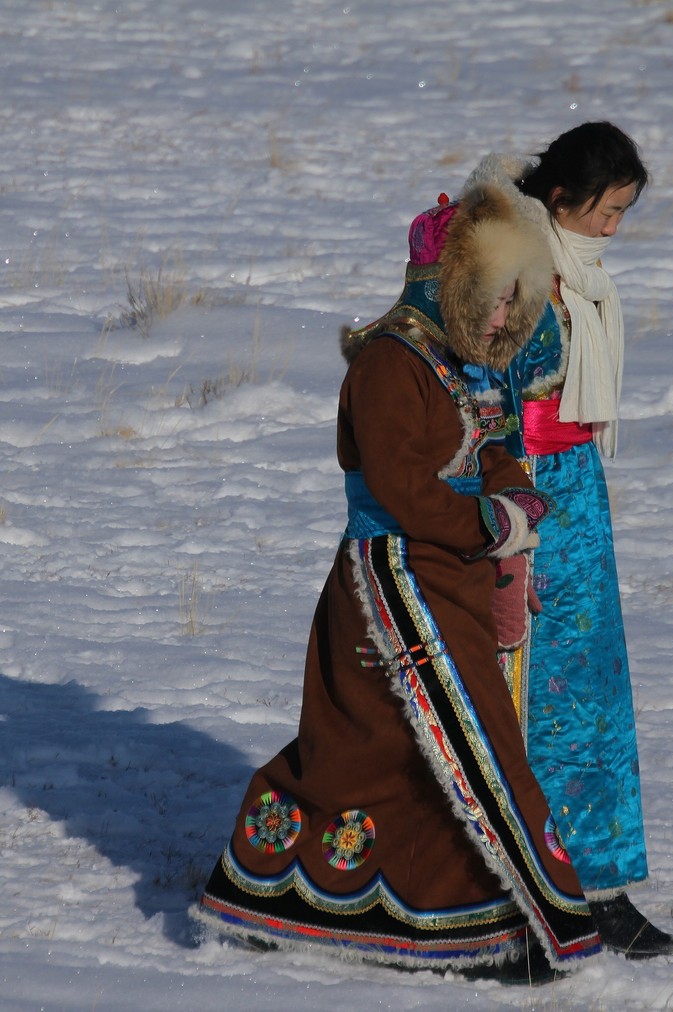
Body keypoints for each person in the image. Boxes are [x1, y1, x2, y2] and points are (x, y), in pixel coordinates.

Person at [193, 183, 605, 982]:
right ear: (453, 287)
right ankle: (514, 919)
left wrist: (514, 493)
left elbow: (489, 444)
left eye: (510, 306)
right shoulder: (388, 365)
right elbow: (403, 486)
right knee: (463, 742)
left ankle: (449, 914)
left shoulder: (453, 368)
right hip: (389, 587)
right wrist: (492, 523)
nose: (499, 320)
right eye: (493, 300)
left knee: (393, 757)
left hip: (441, 578)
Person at [459, 122, 673, 959]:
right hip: (519, 502)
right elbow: (478, 393)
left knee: (589, 695)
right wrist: (503, 505)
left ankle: (600, 887)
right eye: (608, 211)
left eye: (625, 212)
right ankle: (510, 891)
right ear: (561, 200)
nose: (615, 229)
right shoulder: (506, 268)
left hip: (578, 499)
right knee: (519, 694)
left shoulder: (578, 272)